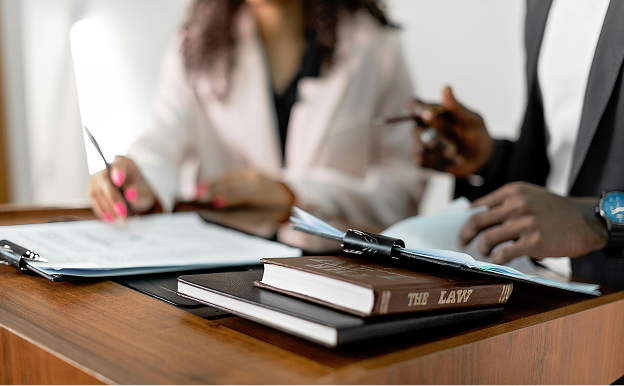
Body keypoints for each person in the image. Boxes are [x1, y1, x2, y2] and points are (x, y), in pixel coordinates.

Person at [88, 0, 427, 228]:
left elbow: (404, 192)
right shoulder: (194, 45)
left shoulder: (376, 47)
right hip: (222, 269)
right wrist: (140, 180)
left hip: (338, 272)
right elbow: (162, 139)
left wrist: (296, 197)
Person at [411, 0, 624, 287]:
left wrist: (599, 221)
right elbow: (561, 169)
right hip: (544, 285)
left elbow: (577, 210)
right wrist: (491, 161)